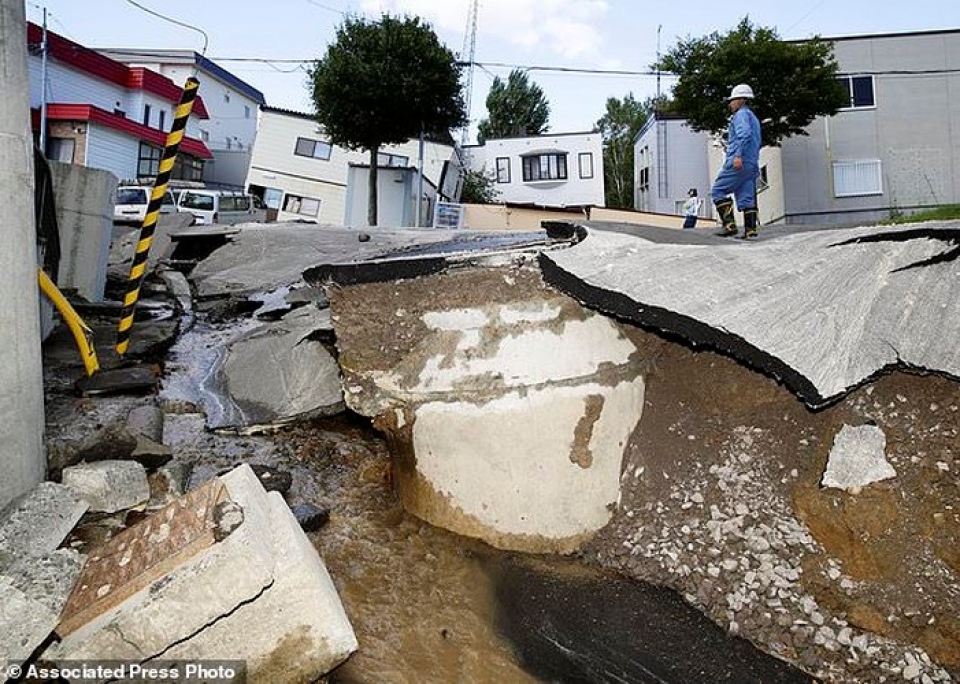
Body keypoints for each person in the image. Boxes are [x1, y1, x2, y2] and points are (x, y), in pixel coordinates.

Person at [711, 83, 762, 239]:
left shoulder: (740, 115)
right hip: (751, 163)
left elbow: (744, 135)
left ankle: (729, 225)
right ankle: (750, 230)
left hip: (739, 162)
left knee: (718, 190)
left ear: (740, 100)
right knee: (746, 196)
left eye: (732, 100)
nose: (730, 104)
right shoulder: (753, 118)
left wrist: (738, 155)